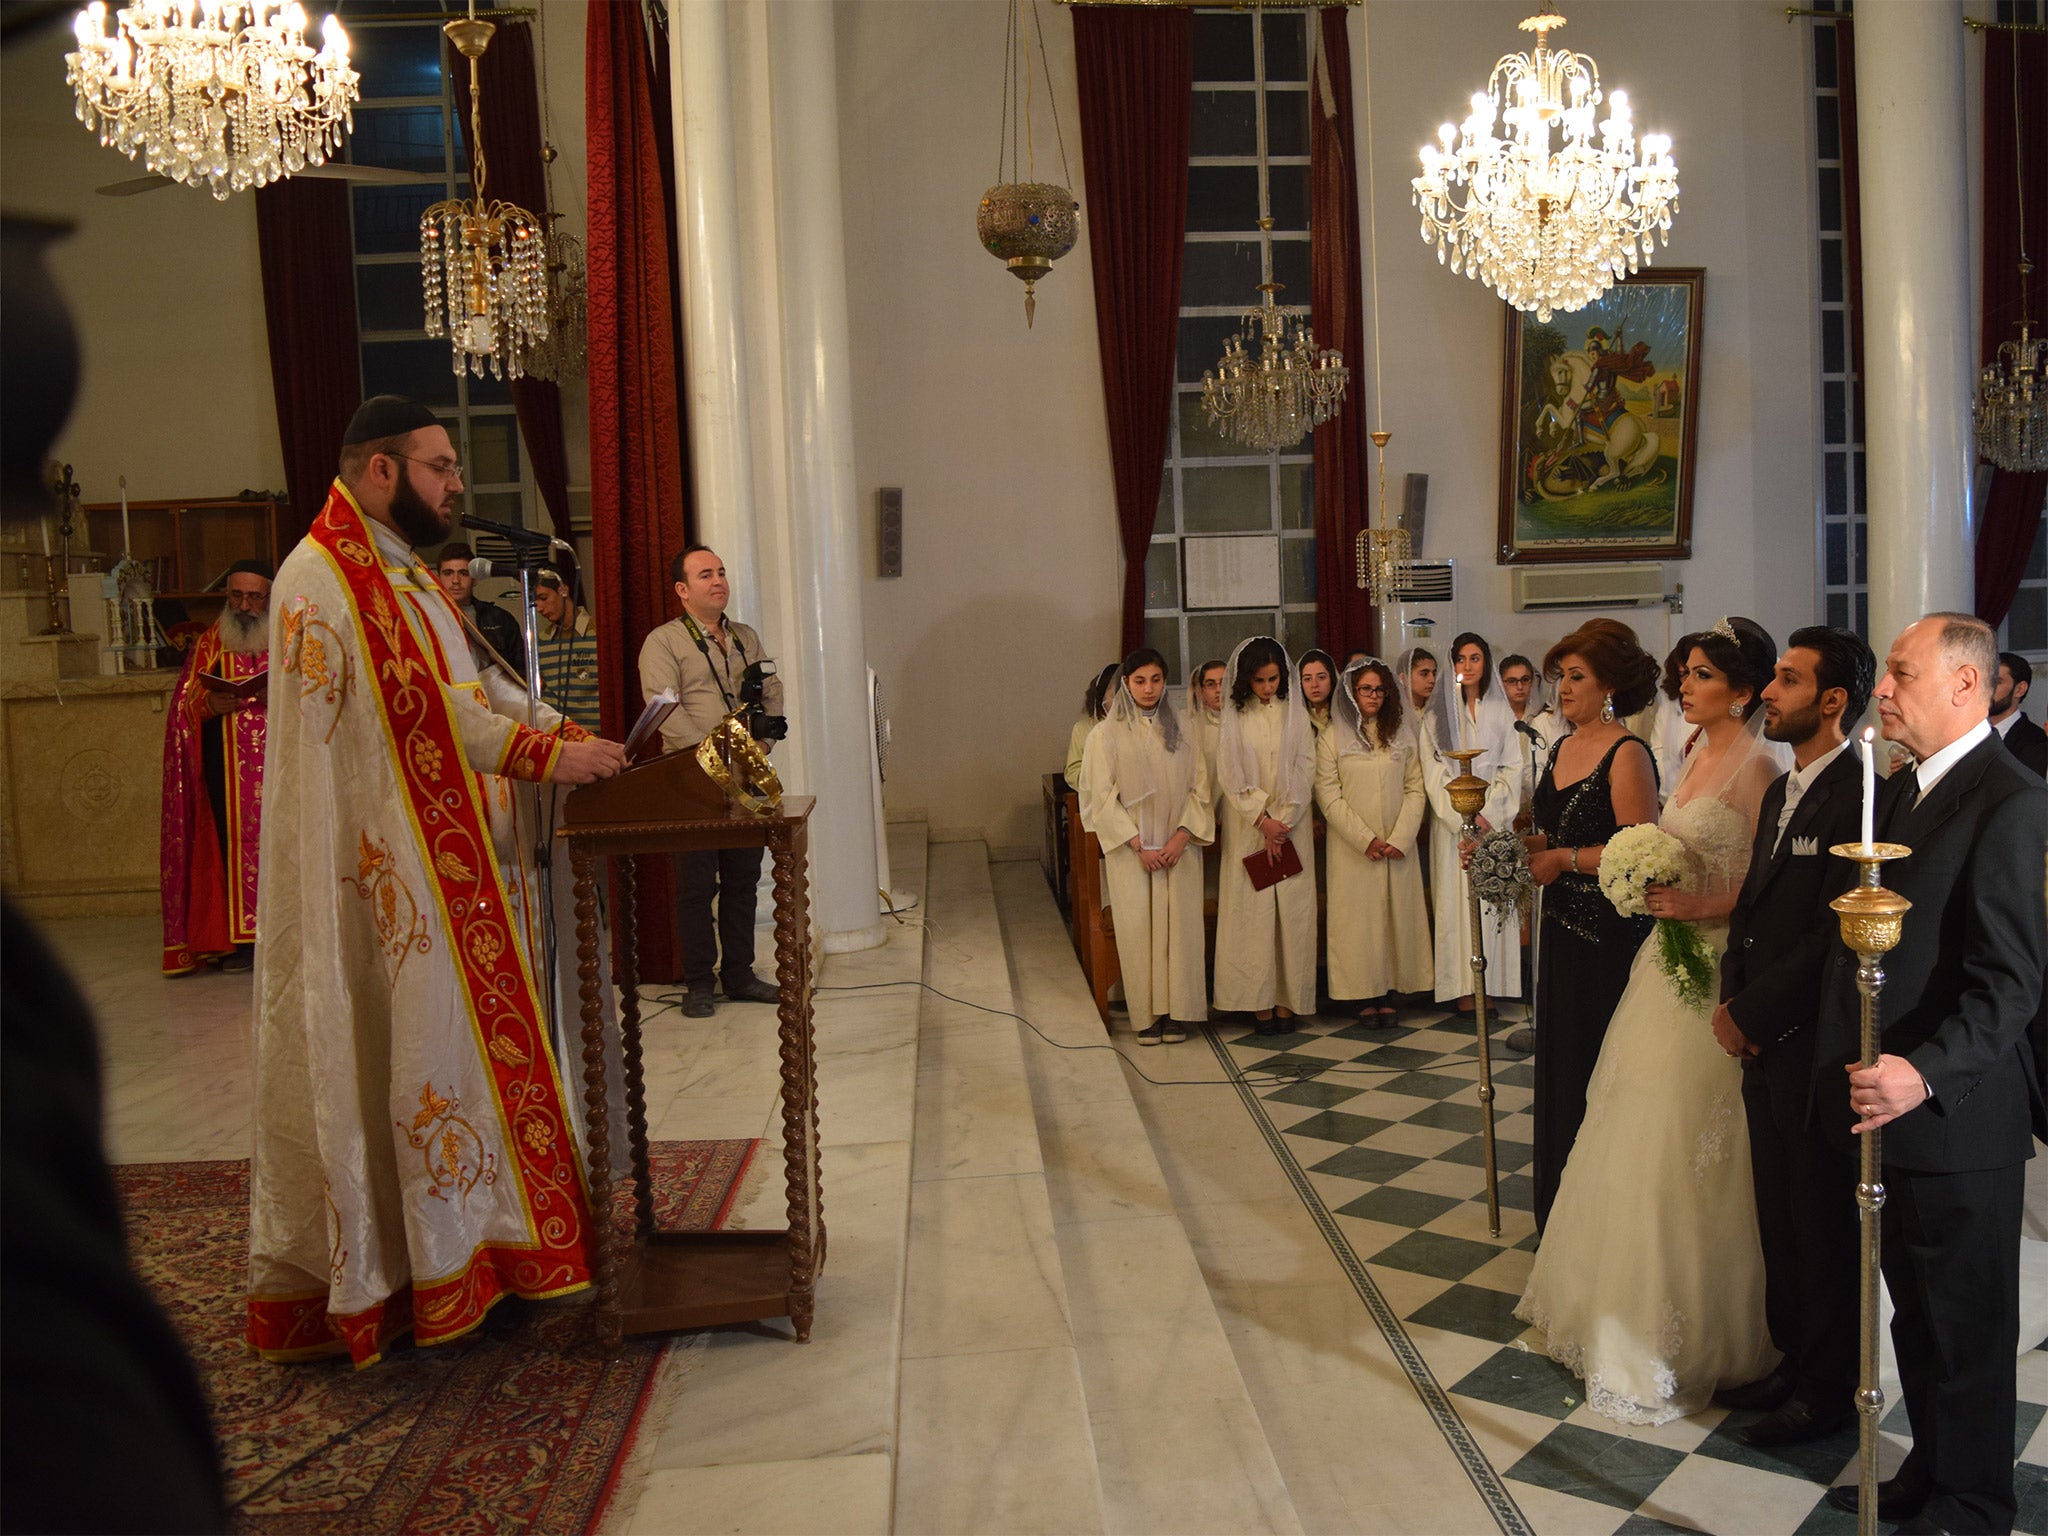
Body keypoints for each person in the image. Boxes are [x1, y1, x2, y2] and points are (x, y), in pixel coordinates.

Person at [246, 395, 631, 1366]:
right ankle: (420, 1271)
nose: (456, 483)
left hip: (445, 865)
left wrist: (564, 733)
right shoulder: (323, 577)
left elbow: (471, 686)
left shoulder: (403, 569)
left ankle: (476, 1253)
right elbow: (410, 712)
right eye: (439, 465)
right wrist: (547, 761)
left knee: (448, 1061)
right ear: (381, 470)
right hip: (380, 877)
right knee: (408, 1054)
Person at [1517, 617, 1784, 1423]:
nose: (1686, 686)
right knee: (1628, 1122)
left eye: (1702, 674)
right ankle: (1623, 1302)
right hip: (1667, 961)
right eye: (1684, 674)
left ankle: (1708, 1322)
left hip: (1711, 965)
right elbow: (1659, 844)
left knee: (1687, 1132)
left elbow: (1767, 886)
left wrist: (1699, 901)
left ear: (1743, 690)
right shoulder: (1695, 754)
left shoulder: (1761, 765)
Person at [1820, 614, 2047, 1535]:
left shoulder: (2012, 797)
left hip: (1959, 1112)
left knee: (1969, 1332)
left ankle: (1975, 1502)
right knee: (1915, 1315)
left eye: (1899, 673)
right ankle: (1932, 1469)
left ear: (1966, 684)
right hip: (1895, 1106)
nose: (1881, 689)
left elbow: (2010, 984)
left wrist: (1924, 1070)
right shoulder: (1908, 790)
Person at [1711, 626, 1873, 1448]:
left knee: (1818, 1221)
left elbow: (1831, 932)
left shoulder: (1857, 791)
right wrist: (1730, 994)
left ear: (1831, 700)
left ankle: (1827, 1385)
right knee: (1776, 1210)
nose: (1767, 692)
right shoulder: (1783, 790)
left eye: (1786, 680)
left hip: (1811, 1041)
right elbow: (1754, 908)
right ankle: (1789, 1356)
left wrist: (1754, 1012)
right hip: (1763, 1037)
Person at [1521, 618, 1661, 1228]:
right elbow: (1555, 831)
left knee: (1596, 1068)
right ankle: (1560, 1217)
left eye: (1576, 677)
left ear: (1608, 687)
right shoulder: (1559, 747)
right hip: (1560, 934)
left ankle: (1601, 1220)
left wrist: (1563, 861)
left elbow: (1637, 852)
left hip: (1608, 938)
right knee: (1561, 1064)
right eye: (1561, 677)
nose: (1563, 689)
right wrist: (1512, 847)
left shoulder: (1626, 753)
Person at [639, 545, 788, 1018]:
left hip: (748, 776)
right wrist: (717, 760)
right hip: (692, 778)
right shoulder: (662, 642)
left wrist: (762, 746)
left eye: (721, 572)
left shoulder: (745, 637)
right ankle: (700, 983)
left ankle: (740, 975)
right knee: (696, 885)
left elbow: (772, 690)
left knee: (744, 879)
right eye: (706, 575)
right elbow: (666, 709)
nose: (718, 581)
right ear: (683, 590)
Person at [1079, 650, 1213, 1045]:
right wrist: (1138, 844)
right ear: (1126, 684)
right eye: (1140, 681)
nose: (1149, 688)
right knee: (1139, 932)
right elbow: (1099, 798)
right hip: (1133, 852)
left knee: (1180, 930)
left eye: (1156, 679)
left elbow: (1201, 789)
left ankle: (1178, 1013)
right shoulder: (1104, 735)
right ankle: (1146, 1016)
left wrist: (1181, 836)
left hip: (1178, 848)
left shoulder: (1185, 728)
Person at [160, 560, 271, 976]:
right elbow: (183, 708)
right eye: (236, 596)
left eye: (253, 596)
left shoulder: (289, 637)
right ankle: (237, 945)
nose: (244, 605)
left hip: (281, 769)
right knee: (228, 846)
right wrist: (208, 705)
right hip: (225, 776)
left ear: (268, 597)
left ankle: (280, 939)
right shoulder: (209, 642)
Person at [1316, 658, 1430, 1023]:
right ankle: (1361, 994)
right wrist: (1364, 838)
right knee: (1358, 922)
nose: (1373, 696)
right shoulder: (1331, 736)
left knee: (1396, 918)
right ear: (1351, 691)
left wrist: (1401, 836)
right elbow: (1328, 794)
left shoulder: (1401, 734)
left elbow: (1416, 787)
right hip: (1353, 849)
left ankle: (1393, 989)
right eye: (1366, 689)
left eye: (1380, 689)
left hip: (1398, 844)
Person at [1214, 636, 1317, 1034]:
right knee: (1253, 918)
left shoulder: (1295, 713)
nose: (1268, 687)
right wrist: (1263, 819)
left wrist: (1285, 818)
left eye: (1274, 679)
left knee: (1292, 916)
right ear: (1246, 680)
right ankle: (1258, 1003)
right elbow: (1230, 772)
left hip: (1292, 826)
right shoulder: (1235, 717)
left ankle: (1288, 1001)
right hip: (1250, 829)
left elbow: (1305, 767)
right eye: (1259, 680)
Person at [1423, 632, 1522, 1011]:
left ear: (1486, 664)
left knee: (1492, 902)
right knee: (1456, 905)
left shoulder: (1500, 711)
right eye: (1461, 659)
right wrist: (1461, 813)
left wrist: (1488, 814)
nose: (1468, 666)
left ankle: (1493, 986)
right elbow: (1432, 771)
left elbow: (1513, 767)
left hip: (1492, 823)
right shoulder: (1435, 716)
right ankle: (1463, 989)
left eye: (1475, 658)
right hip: (1453, 826)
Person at [434, 541, 526, 677]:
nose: (455, 580)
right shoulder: (428, 616)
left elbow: (521, 669)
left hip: (494, 692)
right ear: (438, 578)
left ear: (475, 579)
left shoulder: (500, 618)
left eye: (463, 573)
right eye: (448, 573)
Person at [534, 566, 601, 735]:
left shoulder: (599, 635)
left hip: (595, 736)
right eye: (536, 602)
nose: (539, 608)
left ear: (563, 590)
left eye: (544, 598)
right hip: (557, 740)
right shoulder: (541, 641)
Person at [1992, 649, 2046, 775]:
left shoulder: (2037, 742)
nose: (1988, 688)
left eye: (1997, 682)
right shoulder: (1966, 734)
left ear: (2020, 689)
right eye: (1985, 681)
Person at [1066, 662, 1121, 786]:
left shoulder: (1138, 725)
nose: (1120, 702)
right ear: (1101, 696)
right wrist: (1100, 778)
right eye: (1114, 696)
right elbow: (1072, 772)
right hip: (1097, 796)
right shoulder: (1083, 729)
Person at [1298, 648, 1337, 737]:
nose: (1314, 684)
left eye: (1321, 677)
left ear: (1332, 679)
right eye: (1307, 679)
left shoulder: (1344, 715)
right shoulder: (1295, 718)